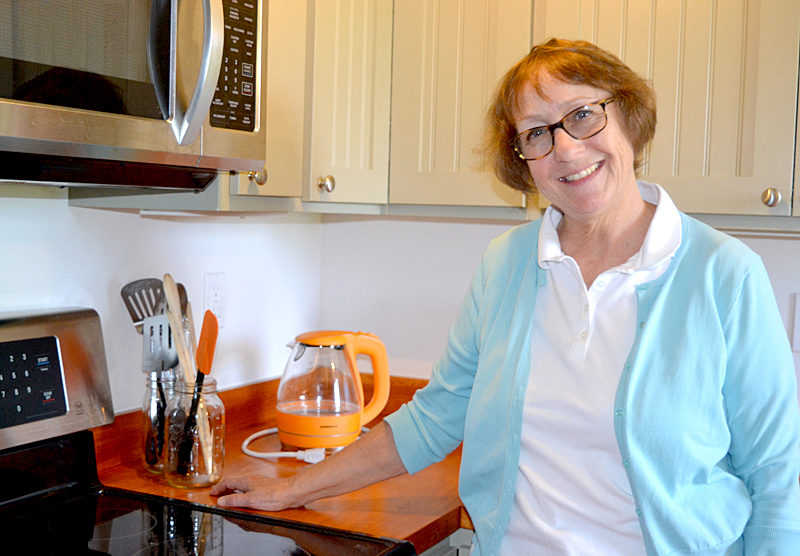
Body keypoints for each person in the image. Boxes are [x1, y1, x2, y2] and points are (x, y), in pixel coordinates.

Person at [212, 38, 800, 555]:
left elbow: (778, 474)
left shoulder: (723, 274)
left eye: (584, 115)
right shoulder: (506, 265)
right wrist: (290, 489)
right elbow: (436, 418)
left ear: (630, 119)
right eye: (537, 133)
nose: (566, 149)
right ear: (523, 159)